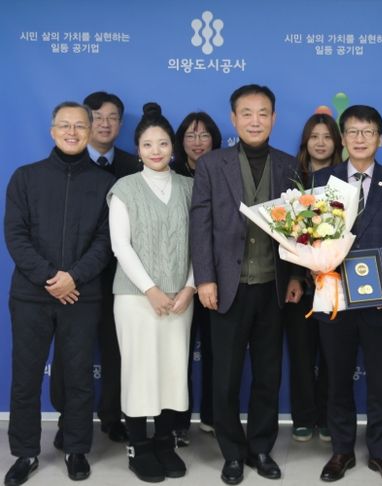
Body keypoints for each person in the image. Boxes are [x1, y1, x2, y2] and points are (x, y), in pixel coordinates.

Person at [190, 84, 303, 485]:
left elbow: (300, 229)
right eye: (247, 113)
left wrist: (296, 276)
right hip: (227, 287)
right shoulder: (211, 165)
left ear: (274, 118)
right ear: (234, 119)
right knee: (225, 377)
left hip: (273, 287)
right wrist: (205, 278)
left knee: (268, 374)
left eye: (263, 113)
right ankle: (232, 453)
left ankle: (260, 448)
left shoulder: (289, 165)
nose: (255, 121)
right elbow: (200, 226)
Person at [3, 101, 115, 485]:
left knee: (78, 377)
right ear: (53, 131)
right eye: (64, 125)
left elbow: (105, 241)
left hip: (81, 296)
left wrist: (74, 278)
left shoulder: (105, 183)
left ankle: (75, 448)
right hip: (31, 296)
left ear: (90, 132)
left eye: (79, 126)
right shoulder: (25, 177)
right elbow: (15, 235)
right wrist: (52, 278)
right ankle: (25, 453)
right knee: (25, 378)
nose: (72, 132)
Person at [313, 105, 382, 484]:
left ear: (380, 139)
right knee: (337, 378)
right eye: (353, 132)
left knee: (380, 380)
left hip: (381, 301)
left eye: (368, 132)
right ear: (342, 138)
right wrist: (315, 267)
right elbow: (310, 237)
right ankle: (341, 450)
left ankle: (381, 451)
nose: (360, 139)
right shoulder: (322, 180)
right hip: (335, 297)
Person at [108, 102, 195, 482]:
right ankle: (138, 447)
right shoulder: (124, 188)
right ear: (138, 149)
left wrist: (190, 286)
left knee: (172, 371)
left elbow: (201, 244)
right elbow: (120, 246)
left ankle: (164, 443)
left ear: (173, 147)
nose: (156, 151)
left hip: (181, 297)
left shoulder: (190, 187)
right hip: (135, 298)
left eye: (162, 143)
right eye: (147, 144)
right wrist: (151, 290)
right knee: (139, 371)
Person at [51, 91, 139, 450]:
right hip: (74, 280)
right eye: (97, 117)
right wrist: (68, 274)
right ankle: (67, 420)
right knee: (69, 354)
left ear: (120, 124)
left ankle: (113, 416)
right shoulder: (65, 163)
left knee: (117, 350)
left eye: (112, 117)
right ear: (86, 124)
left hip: (121, 277)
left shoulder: (135, 165)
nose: (105, 123)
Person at [285, 113, 342, 443]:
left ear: (337, 142)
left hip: (335, 282)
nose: (320, 143)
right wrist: (298, 272)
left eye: (327, 137)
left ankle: (328, 415)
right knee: (301, 354)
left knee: (334, 355)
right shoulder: (292, 179)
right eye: (314, 136)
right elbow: (286, 235)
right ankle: (303, 416)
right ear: (305, 141)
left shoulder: (346, 183)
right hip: (300, 284)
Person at [170, 112, 223, 446]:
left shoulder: (224, 172)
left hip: (215, 276)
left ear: (215, 139)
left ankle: (212, 416)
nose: (198, 142)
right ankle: (178, 421)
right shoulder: (169, 175)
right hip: (177, 279)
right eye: (190, 136)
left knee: (217, 351)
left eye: (204, 135)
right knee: (179, 352)